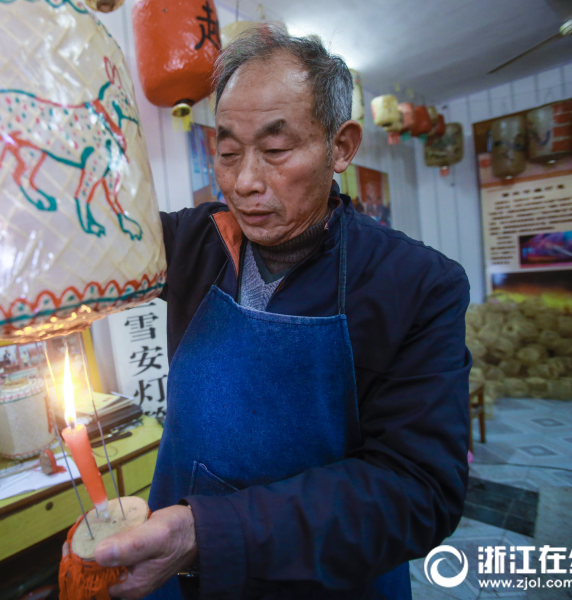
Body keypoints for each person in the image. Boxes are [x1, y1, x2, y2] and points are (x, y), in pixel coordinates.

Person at [89, 30, 470, 600]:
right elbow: (90, 236)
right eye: (227, 151)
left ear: (341, 147)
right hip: (180, 573)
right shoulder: (192, 243)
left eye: (275, 150)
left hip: (323, 581)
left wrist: (209, 532)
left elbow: (417, 492)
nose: (244, 182)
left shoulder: (413, 283)